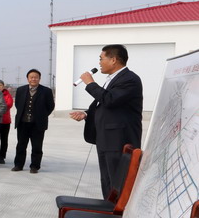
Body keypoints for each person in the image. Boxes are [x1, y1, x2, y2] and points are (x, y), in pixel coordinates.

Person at [69, 44, 143, 199]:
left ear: (113, 60)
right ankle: (108, 208)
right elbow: (104, 104)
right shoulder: (113, 79)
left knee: (118, 181)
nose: (99, 63)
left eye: (101, 59)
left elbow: (109, 99)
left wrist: (90, 83)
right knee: (107, 180)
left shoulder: (129, 79)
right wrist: (86, 114)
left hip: (118, 140)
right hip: (106, 139)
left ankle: (117, 210)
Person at [13, 69, 55, 173]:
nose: (33, 79)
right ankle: (18, 165)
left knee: (37, 146)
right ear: (28, 78)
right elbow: (18, 104)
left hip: (38, 124)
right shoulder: (21, 90)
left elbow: (50, 106)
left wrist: (41, 116)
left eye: (36, 77)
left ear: (39, 78)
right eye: (31, 77)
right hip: (23, 123)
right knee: (21, 145)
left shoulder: (46, 91)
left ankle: (35, 166)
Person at [0, 80, 14, 164]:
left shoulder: (7, 94)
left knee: (4, 139)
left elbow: (8, 105)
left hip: (5, 121)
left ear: (3, 86)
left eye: (0, 85)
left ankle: (2, 156)